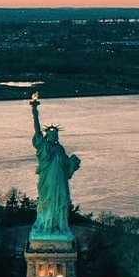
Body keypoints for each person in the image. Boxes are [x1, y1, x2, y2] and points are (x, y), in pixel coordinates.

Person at [29, 95, 80, 239]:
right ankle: (46, 225)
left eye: (56, 135)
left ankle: (58, 226)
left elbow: (67, 166)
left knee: (61, 201)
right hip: (47, 181)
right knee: (46, 201)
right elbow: (37, 131)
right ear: (48, 136)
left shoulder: (60, 149)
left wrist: (73, 163)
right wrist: (34, 111)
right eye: (52, 134)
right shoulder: (42, 146)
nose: (54, 137)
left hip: (60, 181)